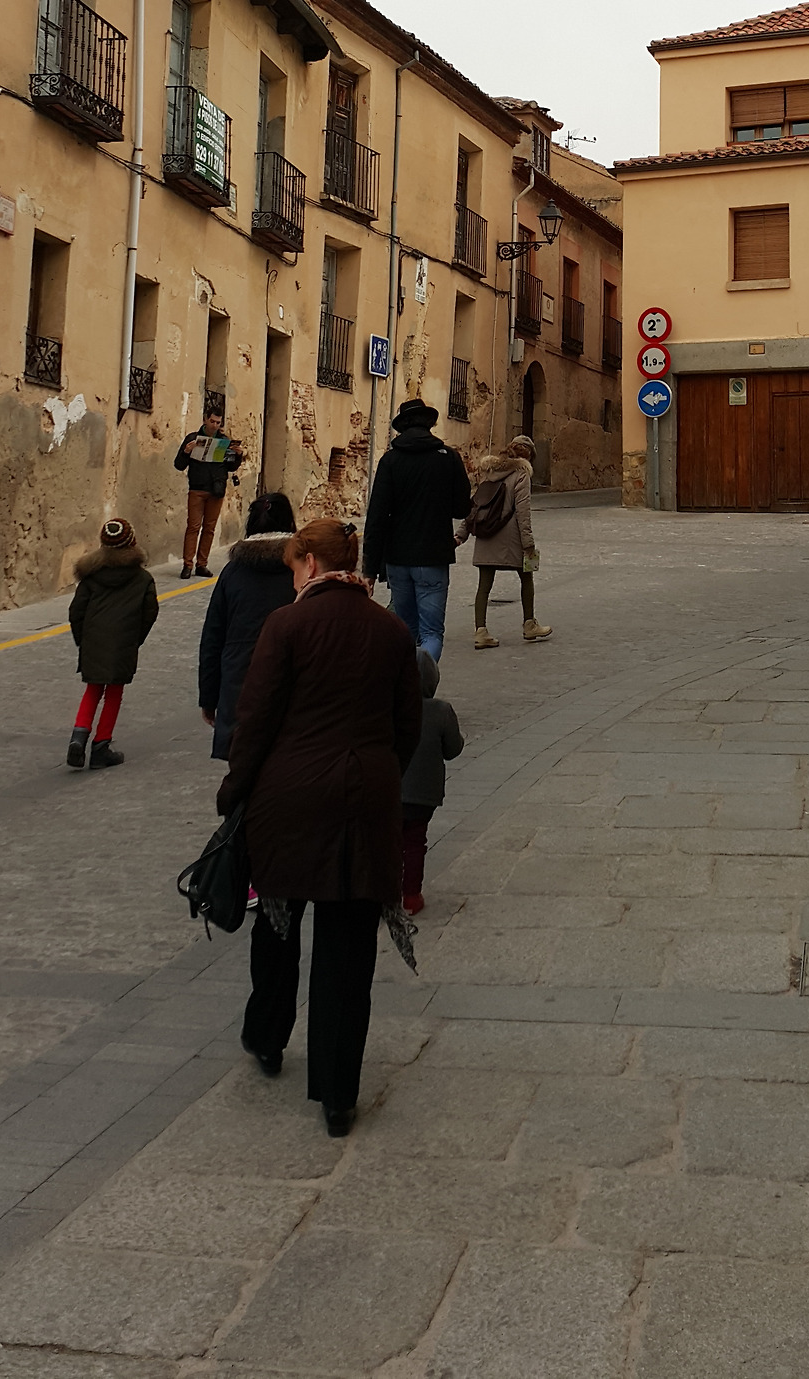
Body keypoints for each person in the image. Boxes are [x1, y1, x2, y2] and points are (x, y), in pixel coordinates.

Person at [219, 517, 422, 1137]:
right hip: (365, 804)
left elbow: (255, 718)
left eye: (292, 568)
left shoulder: (286, 626)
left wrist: (234, 790)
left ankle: (267, 1035)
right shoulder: (391, 630)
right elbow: (406, 726)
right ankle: (338, 1094)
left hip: (290, 802)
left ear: (309, 563)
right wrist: (376, 773)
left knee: (277, 925)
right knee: (348, 948)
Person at [362, 398, 472, 664]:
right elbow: (461, 508)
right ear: (428, 424)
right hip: (433, 555)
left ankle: (406, 682)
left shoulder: (390, 461)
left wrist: (369, 570)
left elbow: (376, 518)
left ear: (402, 426)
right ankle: (421, 682)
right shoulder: (448, 458)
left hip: (398, 558)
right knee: (431, 632)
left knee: (406, 630)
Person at [197, 492, 297, 759]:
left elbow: (213, 637)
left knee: (242, 761)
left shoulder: (233, 572)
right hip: (291, 681)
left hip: (238, 682)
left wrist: (209, 697)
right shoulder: (300, 571)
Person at [65, 518, 158, 769]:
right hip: (124, 642)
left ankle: (78, 737)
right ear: (132, 542)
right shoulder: (143, 579)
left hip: (93, 641)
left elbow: (76, 611)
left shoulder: (90, 577)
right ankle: (101, 745)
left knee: (92, 690)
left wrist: (83, 641)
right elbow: (149, 613)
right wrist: (135, 640)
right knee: (114, 693)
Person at [458, 435, 552, 648]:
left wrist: (461, 534)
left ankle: (480, 631)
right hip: (512, 537)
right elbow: (523, 511)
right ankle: (529, 624)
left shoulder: (489, 472)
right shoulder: (522, 474)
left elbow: (475, 506)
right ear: (528, 456)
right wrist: (528, 543)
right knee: (527, 576)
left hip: (486, 534)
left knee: (484, 585)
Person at [400, 650, 464, 914]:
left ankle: (384, 895)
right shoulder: (441, 711)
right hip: (423, 795)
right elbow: (453, 749)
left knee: (387, 843)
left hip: (388, 791)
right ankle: (411, 897)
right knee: (415, 843)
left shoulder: (387, 708)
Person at [174, 406, 244, 579]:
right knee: (193, 527)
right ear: (205, 419)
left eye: (218, 423)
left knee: (209, 528)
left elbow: (231, 466)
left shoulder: (224, 441)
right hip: (197, 488)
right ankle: (187, 564)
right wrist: (186, 452)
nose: (214, 425)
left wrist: (238, 455)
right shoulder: (193, 438)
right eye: (212, 421)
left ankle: (202, 564)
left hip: (216, 490)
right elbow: (179, 465)